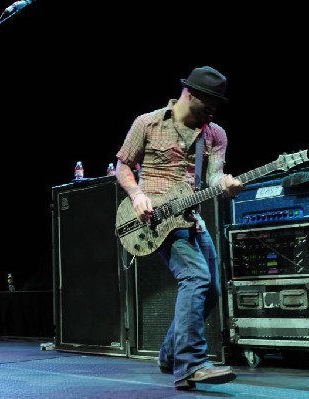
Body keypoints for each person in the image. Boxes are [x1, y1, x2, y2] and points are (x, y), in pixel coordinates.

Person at [115, 66, 243, 390]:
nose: (213, 109)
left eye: (217, 103)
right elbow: (123, 166)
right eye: (209, 101)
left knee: (211, 289)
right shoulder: (148, 123)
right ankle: (191, 365)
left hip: (190, 216)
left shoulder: (215, 134)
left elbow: (213, 175)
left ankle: (170, 353)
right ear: (190, 93)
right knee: (196, 277)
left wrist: (224, 182)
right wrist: (138, 195)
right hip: (155, 218)